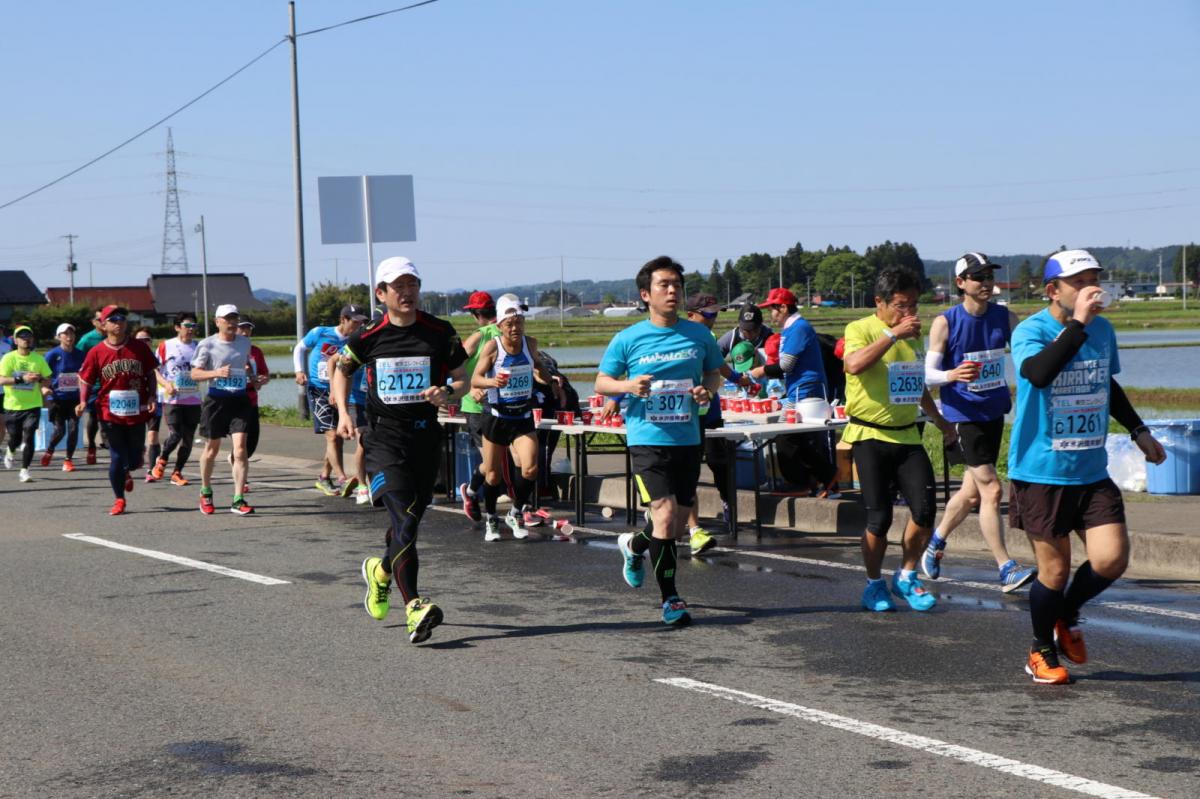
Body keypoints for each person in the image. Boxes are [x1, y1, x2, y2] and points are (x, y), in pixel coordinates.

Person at [1008, 250, 1165, 685]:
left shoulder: (1103, 330)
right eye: (1078, 282)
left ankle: (1067, 614)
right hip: (1042, 471)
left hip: (1091, 469)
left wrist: (1138, 429)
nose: (1089, 288)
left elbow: (1104, 382)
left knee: (1112, 559)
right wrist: (1077, 324)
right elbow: (1039, 374)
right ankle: (1040, 650)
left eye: (1094, 279)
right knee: (1054, 570)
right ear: (1053, 291)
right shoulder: (1031, 330)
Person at [338, 257, 468, 645]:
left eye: (413, 284)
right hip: (383, 440)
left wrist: (446, 392)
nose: (407, 292)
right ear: (381, 294)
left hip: (427, 439)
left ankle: (379, 571)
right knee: (406, 518)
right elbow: (340, 368)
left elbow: (463, 379)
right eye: (398, 286)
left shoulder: (439, 332)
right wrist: (343, 413)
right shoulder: (368, 336)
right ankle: (414, 606)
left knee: (406, 524)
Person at [597, 256, 723, 627]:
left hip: (687, 436)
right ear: (645, 294)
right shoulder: (628, 338)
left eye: (677, 286)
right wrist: (627, 386)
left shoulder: (699, 334)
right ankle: (671, 599)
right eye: (664, 285)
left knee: (676, 521)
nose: (672, 291)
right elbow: (603, 382)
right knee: (665, 515)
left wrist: (706, 392)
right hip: (647, 437)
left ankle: (634, 545)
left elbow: (713, 373)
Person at [841, 268, 958, 613]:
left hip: (908, 435)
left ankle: (906, 575)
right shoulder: (859, 328)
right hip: (869, 434)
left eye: (913, 306)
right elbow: (853, 365)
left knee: (924, 510)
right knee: (879, 518)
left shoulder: (911, 337)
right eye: (900, 306)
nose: (909, 314)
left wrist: (939, 420)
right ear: (879, 302)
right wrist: (892, 335)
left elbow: (913, 382)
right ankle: (874, 584)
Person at [921, 252, 1036, 592]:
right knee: (992, 489)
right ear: (961, 283)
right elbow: (926, 375)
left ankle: (935, 542)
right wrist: (951, 374)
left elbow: (1030, 353)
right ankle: (1005, 567)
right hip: (963, 416)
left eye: (989, 276)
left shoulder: (1006, 317)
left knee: (972, 494)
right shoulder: (946, 322)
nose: (986, 282)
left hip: (993, 411)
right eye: (977, 277)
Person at [471, 295, 552, 542]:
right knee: (493, 475)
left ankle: (515, 512)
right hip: (496, 417)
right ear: (500, 326)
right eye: (509, 324)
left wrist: (544, 375)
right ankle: (492, 519)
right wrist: (491, 381)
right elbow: (475, 379)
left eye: (519, 323)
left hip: (522, 416)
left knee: (530, 468)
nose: (515, 328)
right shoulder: (492, 347)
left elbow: (540, 370)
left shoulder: (531, 344)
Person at [749, 287, 840, 498]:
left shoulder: (798, 328)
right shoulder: (794, 328)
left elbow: (787, 365)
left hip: (805, 392)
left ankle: (802, 482)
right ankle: (826, 476)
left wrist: (760, 371)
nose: (770, 316)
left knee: (786, 437)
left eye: (772, 309)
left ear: (782, 307)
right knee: (795, 438)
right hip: (798, 391)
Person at [76, 307, 159, 514]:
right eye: (112, 319)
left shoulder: (139, 348)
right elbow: (85, 379)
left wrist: (151, 395)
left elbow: (150, 373)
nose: (118, 322)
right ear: (103, 325)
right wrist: (83, 401)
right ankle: (119, 499)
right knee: (116, 456)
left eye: (122, 318)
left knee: (133, 459)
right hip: (108, 411)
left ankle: (128, 469)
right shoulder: (96, 352)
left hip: (136, 410)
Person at [295, 304, 369, 496]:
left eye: (362, 322)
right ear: (343, 319)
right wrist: (299, 370)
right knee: (332, 436)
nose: (359, 325)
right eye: (355, 321)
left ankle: (324, 476)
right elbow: (300, 348)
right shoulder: (321, 332)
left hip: (341, 390)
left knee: (338, 438)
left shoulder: (356, 340)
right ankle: (343, 478)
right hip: (319, 388)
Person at [191, 304, 256, 516]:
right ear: (217, 321)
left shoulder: (245, 342)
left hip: (239, 400)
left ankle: (238, 498)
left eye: (234, 318)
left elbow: (245, 367)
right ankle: (206, 491)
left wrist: (254, 378)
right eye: (227, 318)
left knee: (240, 450)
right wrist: (216, 372)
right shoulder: (207, 344)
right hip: (216, 401)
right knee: (212, 449)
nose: (232, 322)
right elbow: (195, 374)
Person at [455, 291, 501, 524]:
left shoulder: (507, 333)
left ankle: (516, 509)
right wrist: (470, 387)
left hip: (505, 407)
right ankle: (472, 492)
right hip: (476, 406)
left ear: (474, 314)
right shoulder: (479, 337)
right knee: (492, 464)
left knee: (506, 461)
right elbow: (454, 365)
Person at [151, 313, 202, 486]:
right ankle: (162, 460)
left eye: (193, 326)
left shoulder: (199, 347)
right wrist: (166, 384)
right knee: (176, 435)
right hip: (172, 399)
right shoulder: (166, 346)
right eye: (187, 325)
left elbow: (206, 370)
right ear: (177, 327)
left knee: (188, 438)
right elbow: (154, 370)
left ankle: (177, 472)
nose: (190, 329)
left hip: (193, 399)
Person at [0, 325, 52, 482]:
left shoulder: (38, 359)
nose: (26, 339)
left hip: (33, 405)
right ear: (16, 340)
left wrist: (43, 385)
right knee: (15, 438)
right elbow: (1, 379)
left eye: (28, 336)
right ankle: (10, 451)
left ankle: (25, 470)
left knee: (29, 435)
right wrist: (22, 379)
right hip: (12, 405)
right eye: (22, 337)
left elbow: (48, 377)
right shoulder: (9, 358)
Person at [41, 322, 85, 471]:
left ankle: (68, 460)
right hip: (57, 398)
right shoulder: (52, 354)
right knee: (60, 430)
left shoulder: (80, 354)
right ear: (58, 336)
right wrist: (45, 388)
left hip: (74, 398)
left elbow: (86, 374)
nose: (69, 337)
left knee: (73, 429)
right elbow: (43, 374)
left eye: (72, 333)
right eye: (65, 334)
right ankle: (50, 450)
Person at [237, 318, 271, 494]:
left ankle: (236, 459)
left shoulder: (256, 351)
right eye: (241, 328)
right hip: (233, 400)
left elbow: (265, 374)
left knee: (252, 442)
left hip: (252, 399)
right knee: (240, 443)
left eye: (248, 329)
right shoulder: (229, 350)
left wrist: (263, 379)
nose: (245, 332)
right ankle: (241, 482)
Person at [134, 326, 163, 482]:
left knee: (152, 436)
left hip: (154, 401)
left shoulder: (156, 357)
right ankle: (139, 452)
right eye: (140, 340)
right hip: (134, 403)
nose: (144, 342)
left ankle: (151, 470)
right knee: (137, 437)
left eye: (147, 340)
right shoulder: (131, 357)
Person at [77, 308, 106, 464]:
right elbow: (78, 359)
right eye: (100, 319)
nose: (103, 322)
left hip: (113, 383)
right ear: (94, 322)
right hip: (94, 384)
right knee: (94, 415)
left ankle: (110, 442)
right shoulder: (87, 339)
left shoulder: (114, 336)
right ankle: (92, 445)